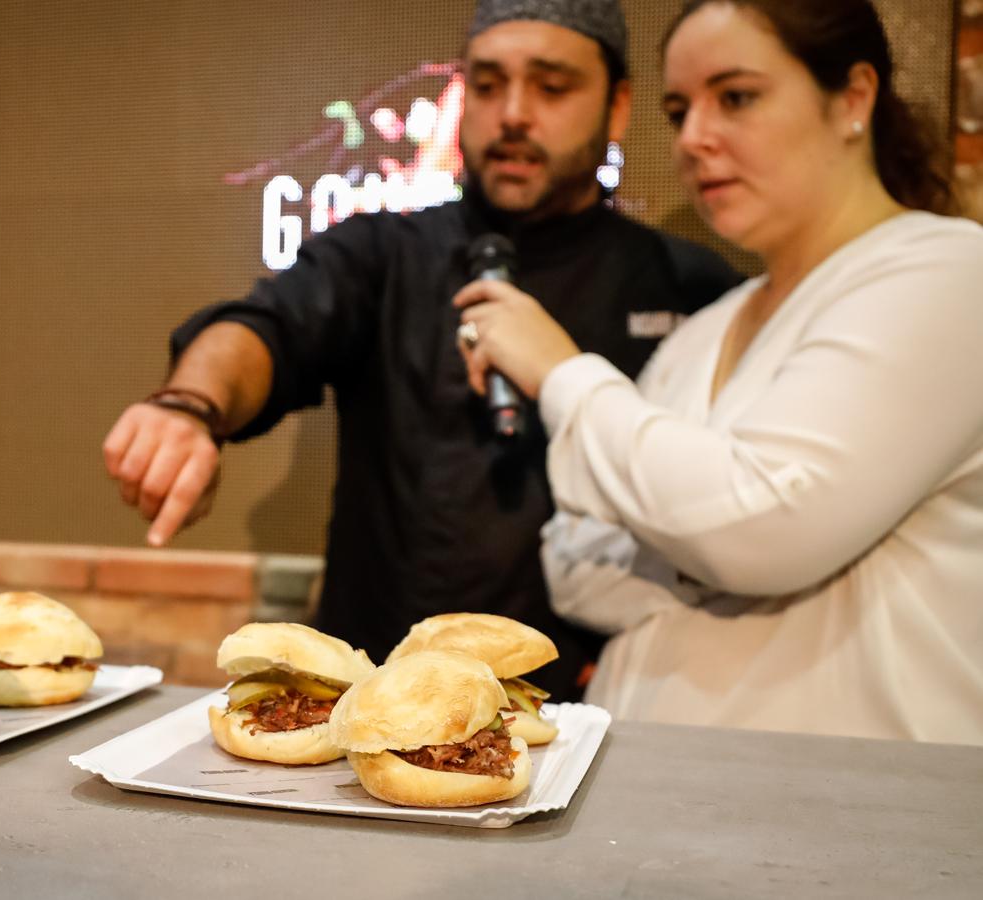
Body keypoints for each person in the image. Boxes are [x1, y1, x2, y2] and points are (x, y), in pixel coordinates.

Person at [102, 0, 740, 697]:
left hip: (594, 703)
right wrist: (190, 405)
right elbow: (264, 330)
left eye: (552, 87)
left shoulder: (691, 285)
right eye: (488, 86)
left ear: (617, 107)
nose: (513, 114)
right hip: (377, 697)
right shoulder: (382, 254)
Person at [454, 0, 983, 743]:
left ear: (853, 97)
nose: (695, 139)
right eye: (678, 110)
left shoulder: (949, 273)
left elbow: (765, 527)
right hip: (647, 797)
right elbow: (576, 565)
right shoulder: (704, 331)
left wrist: (566, 374)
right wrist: (704, 542)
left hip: (857, 814)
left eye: (736, 97)